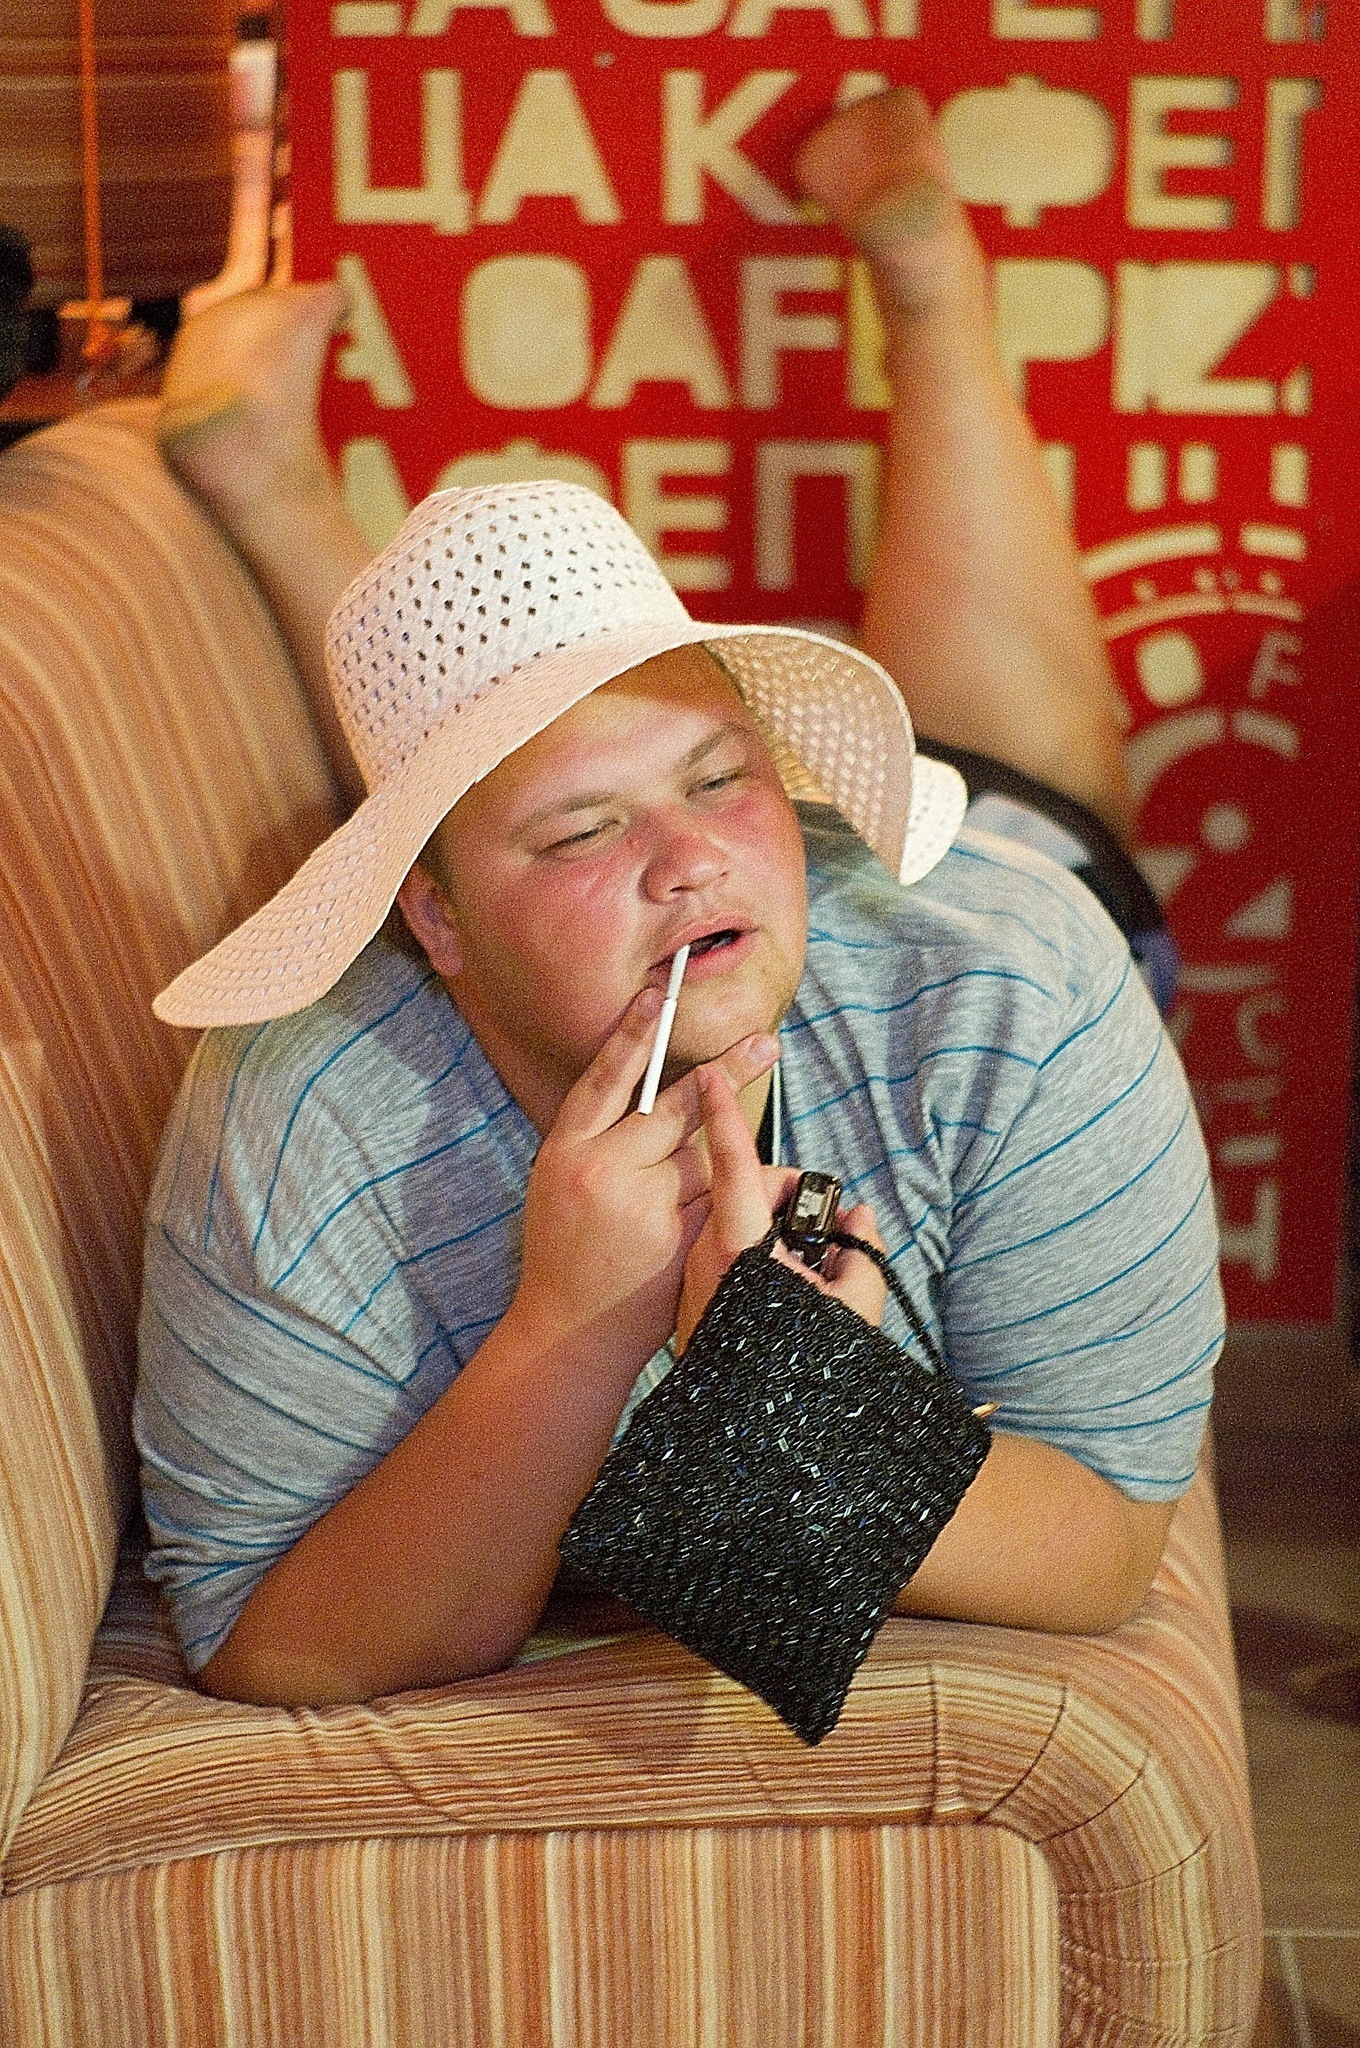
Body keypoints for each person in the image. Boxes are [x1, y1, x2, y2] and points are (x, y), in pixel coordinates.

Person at [134, 89, 1220, 1710]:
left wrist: (798, 1397)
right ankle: (282, 483)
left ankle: (932, 293)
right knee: (473, 758)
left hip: (999, 860)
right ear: (431, 923)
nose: (693, 859)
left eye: (725, 778)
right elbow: (268, 1640)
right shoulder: (304, 1122)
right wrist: (570, 1332)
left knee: (1028, 766)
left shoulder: (1016, 979)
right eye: (584, 834)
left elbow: (1113, 1542)